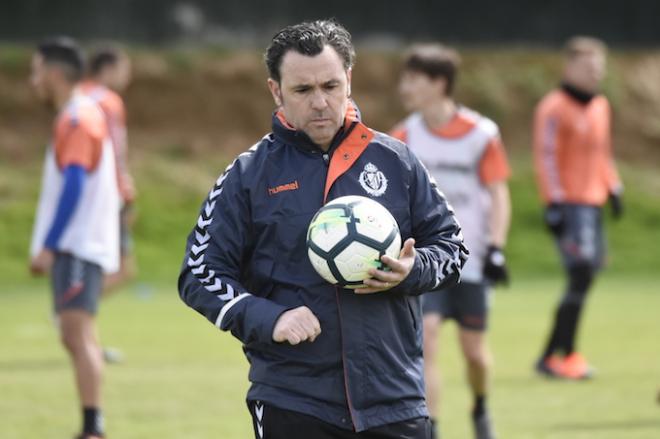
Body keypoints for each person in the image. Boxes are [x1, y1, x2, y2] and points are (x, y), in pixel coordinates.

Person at [178, 19, 468, 439]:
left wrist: (414, 269)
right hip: (294, 400)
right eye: (303, 90)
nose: (320, 102)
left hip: (395, 401)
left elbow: (452, 246)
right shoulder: (248, 174)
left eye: (331, 86)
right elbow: (199, 273)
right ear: (276, 91)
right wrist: (267, 317)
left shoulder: (396, 161)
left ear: (348, 80)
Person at [391, 44, 511, 439]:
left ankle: (480, 407)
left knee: (474, 352)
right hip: (427, 261)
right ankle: (432, 429)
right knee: (426, 341)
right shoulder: (403, 136)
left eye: (413, 79)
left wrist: (496, 246)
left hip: (472, 260)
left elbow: (497, 193)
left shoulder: (481, 134)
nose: (404, 87)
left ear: (439, 83)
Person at [29, 36, 120, 439]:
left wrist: (50, 243)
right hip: (79, 243)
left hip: (78, 244)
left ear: (51, 72)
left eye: (34, 72)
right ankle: (91, 424)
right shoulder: (77, 114)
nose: (32, 82)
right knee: (75, 333)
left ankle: (92, 427)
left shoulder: (77, 119)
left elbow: (74, 183)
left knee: (77, 333)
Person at [533, 36, 623, 380]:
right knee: (580, 274)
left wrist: (613, 185)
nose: (595, 74)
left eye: (599, 67)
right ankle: (565, 354)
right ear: (570, 68)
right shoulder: (553, 107)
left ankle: (551, 356)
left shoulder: (601, 105)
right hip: (569, 205)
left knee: (584, 278)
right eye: (588, 67)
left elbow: (602, 153)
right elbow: (546, 157)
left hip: (593, 203)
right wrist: (552, 201)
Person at [80, 45, 136, 292]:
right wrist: (125, 192)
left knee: (87, 260)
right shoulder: (108, 101)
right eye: (124, 69)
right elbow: (113, 151)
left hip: (81, 188)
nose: (127, 76)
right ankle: (72, 308)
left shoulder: (77, 96)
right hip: (107, 193)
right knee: (124, 269)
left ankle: (72, 308)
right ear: (109, 69)